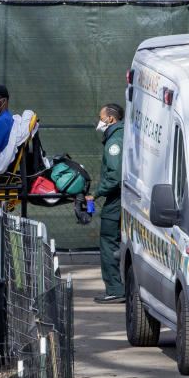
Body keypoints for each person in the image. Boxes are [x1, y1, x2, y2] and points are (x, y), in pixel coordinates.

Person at [86, 103, 125, 304]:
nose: (99, 121)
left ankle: (115, 289)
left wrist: (96, 194)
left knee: (109, 244)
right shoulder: (124, 134)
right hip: (123, 200)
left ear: (110, 118)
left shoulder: (115, 141)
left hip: (115, 202)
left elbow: (115, 176)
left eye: (101, 117)